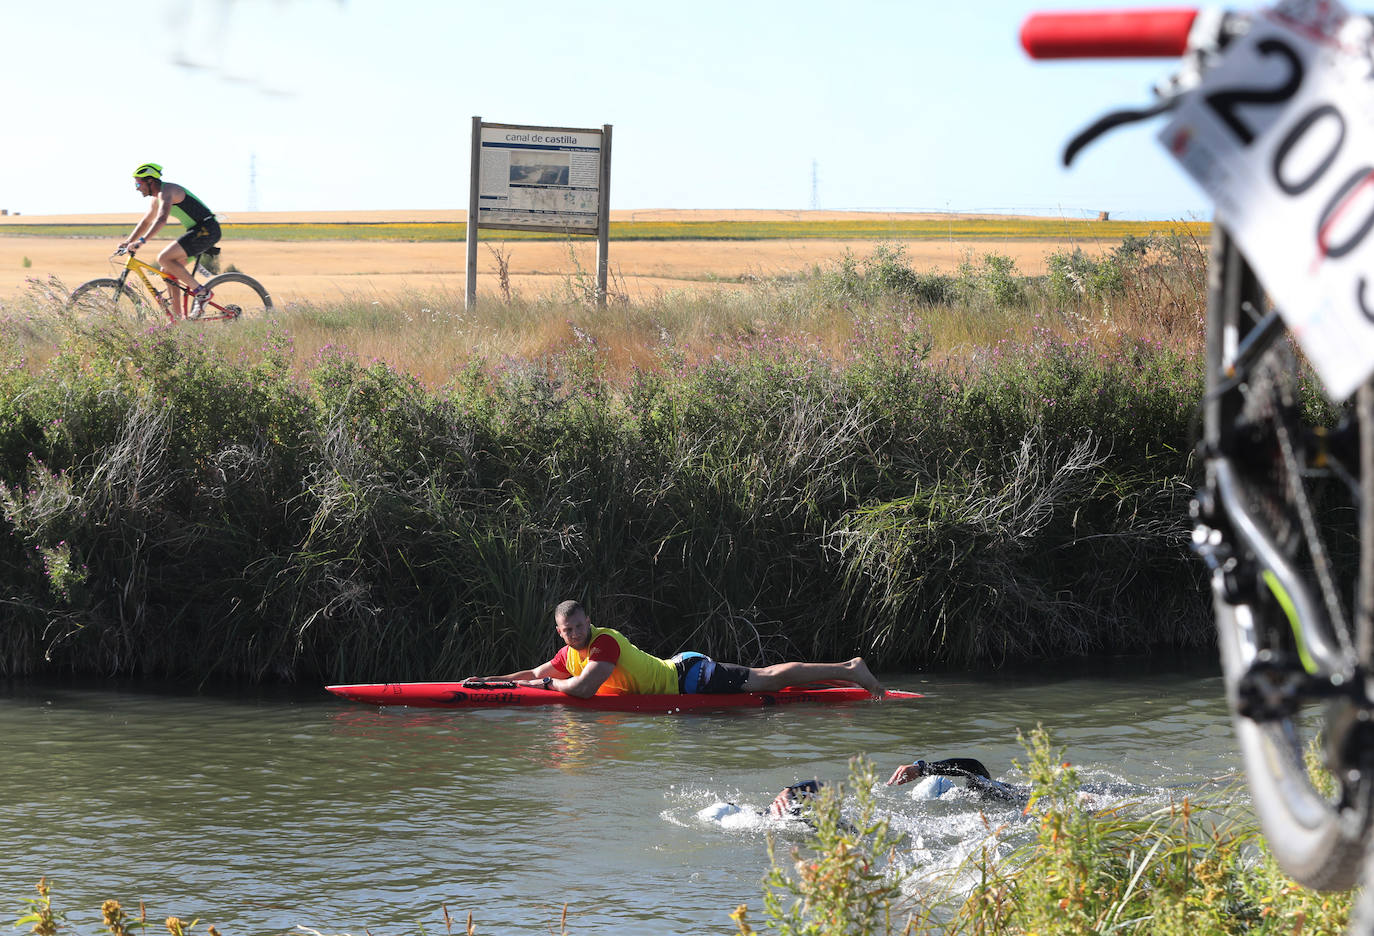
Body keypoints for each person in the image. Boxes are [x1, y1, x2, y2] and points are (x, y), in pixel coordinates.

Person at [467, 599, 884, 699]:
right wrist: (491, 682)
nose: (575, 634)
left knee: (769, 680)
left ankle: (850, 668)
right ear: (560, 632)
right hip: (681, 672)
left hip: (689, 678)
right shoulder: (567, 654)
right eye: (568, 630)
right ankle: (838, 683)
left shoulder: (603, 643)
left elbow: (580, 690)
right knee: (769, 681)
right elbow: (535, 671)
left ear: (587, 622)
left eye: (579, 626)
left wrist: (544, 687)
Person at [118, 163, 221, 316]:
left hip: (207, 229)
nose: (137, 188)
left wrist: (141, 241)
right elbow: (146, 222)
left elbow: (161, 220)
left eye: (138, 183)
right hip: (197, 230)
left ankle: (202, 293)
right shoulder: (155, 199)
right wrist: (128, 241)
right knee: (167, 271)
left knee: (164, 258)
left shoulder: (167, 192)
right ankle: (178, 322)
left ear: (150, 181)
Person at [767, 757, 1022, 817]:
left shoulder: (988, 793)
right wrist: (792, 791)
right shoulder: (956, 801)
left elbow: (973, 767)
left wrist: (923, 768)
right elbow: (832, 788)